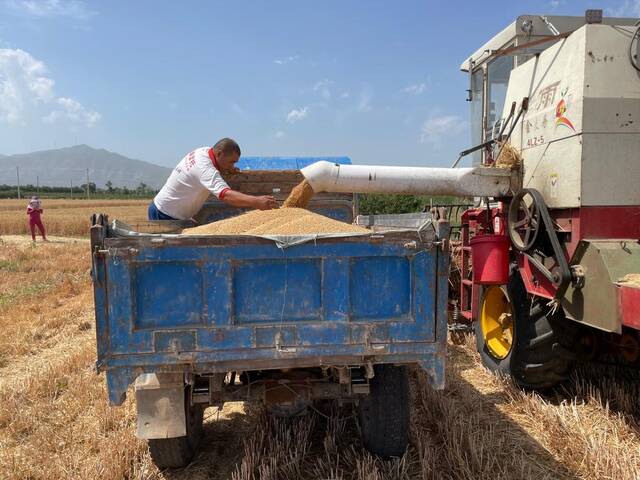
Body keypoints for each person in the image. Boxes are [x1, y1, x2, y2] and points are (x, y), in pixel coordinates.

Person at [149, 138, 277, 221]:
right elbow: (225, 195)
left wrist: (227, 169)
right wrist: (256, 201)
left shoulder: (203, 151)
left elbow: (215, 168)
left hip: (168, 210)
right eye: (231, 162)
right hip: (165, 215)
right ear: (219, 153)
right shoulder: (205, 169)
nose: (233, 166)